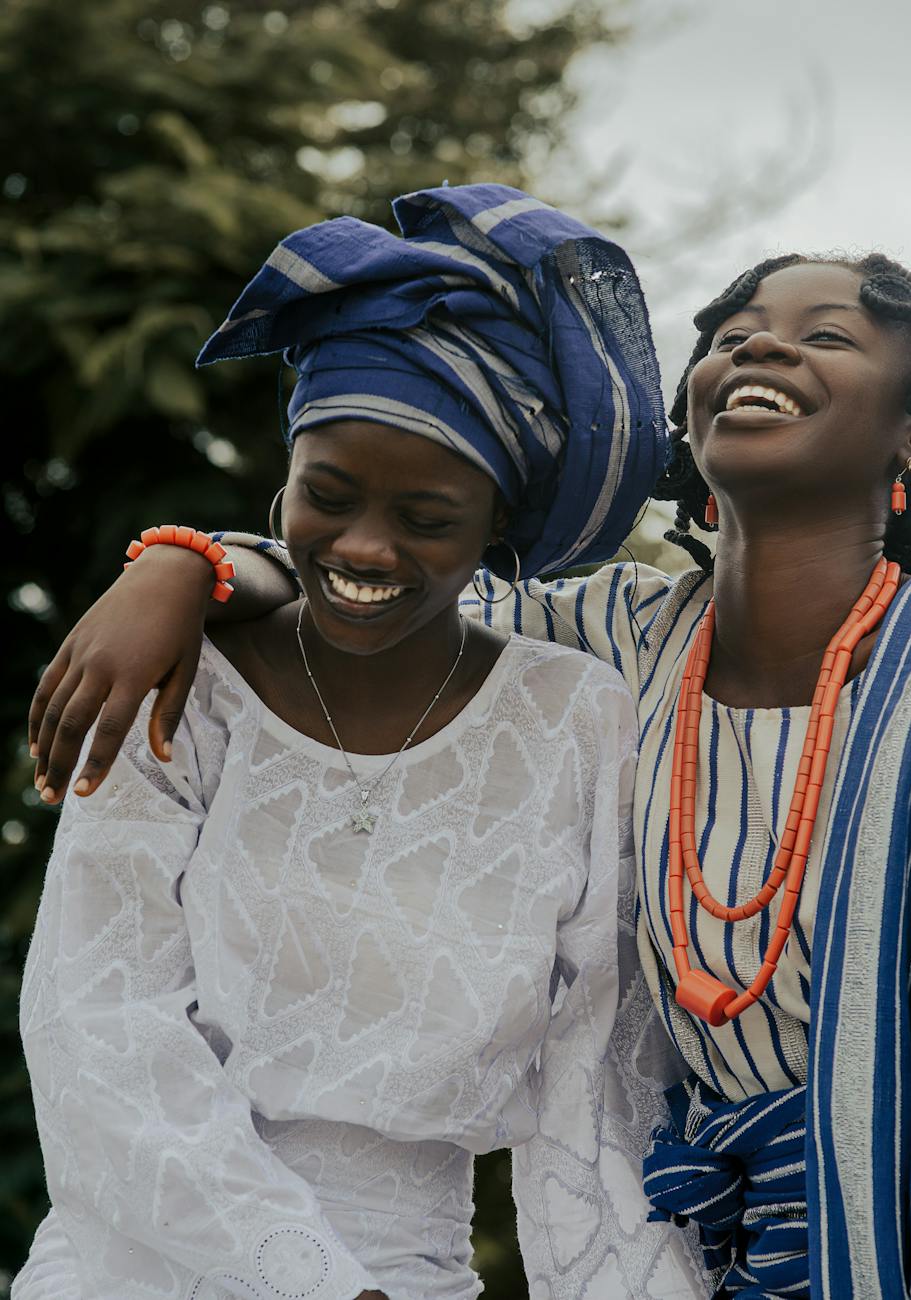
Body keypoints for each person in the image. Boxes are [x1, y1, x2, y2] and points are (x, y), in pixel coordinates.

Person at [27, 248, 911, 1299]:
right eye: (732, 333)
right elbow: (385, 584)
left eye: (824, 333)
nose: (764, 345)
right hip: (721, 1253)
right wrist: (186, 563)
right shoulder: (615, 640)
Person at [14, 184, 707, 1299]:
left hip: (410, 1268)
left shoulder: (575, 717)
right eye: (324, 495)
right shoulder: (189, 682)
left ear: (496, 526)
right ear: (282, 476)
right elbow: (96, 1031)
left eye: (427, 520)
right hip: (125, 1266)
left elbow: (596, 1095)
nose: (364, 547)